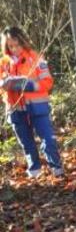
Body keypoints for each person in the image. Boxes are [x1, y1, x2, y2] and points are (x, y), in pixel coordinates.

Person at [0, 26, 63, 179]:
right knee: (26, 142)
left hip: (37, 106)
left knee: (48, 138)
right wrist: (4, 85)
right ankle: (34, 169)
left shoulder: (35, 58)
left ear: (23, 41)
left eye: (17, 44)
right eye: (10, 46)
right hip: (15, 109)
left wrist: (29, 85)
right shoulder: (4, 63)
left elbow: (47, 82)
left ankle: (56, 168)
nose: (14, 49)